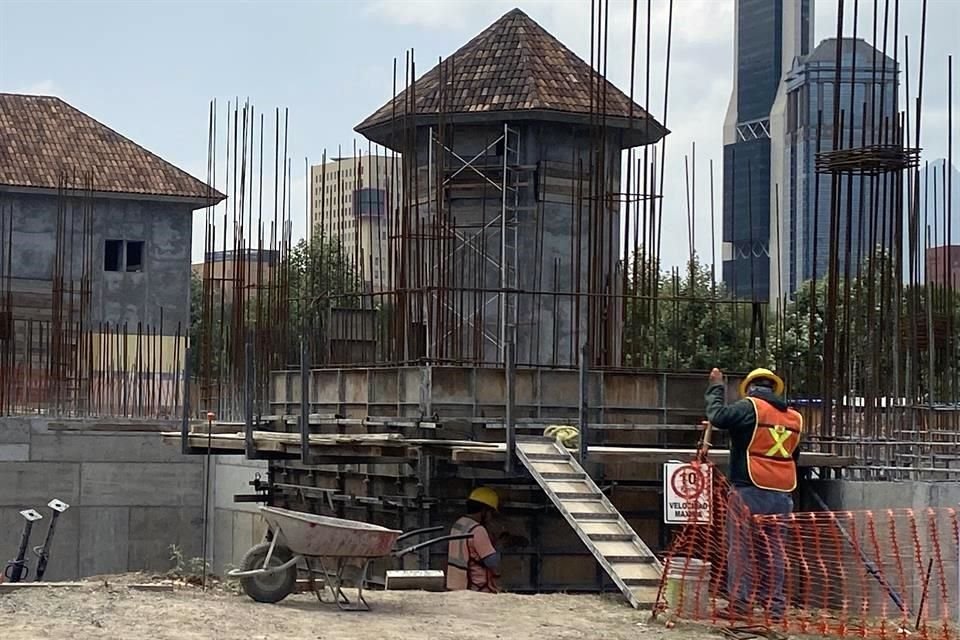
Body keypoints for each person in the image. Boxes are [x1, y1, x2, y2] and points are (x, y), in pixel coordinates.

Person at [705, 367, 803, 623]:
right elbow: (792, 455)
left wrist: (716, 387)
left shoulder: (750, 407)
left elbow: (718, 416)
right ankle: (775, 608)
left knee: (741, 549)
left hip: (749, 489)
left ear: (750, 388)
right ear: (775, 389)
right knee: (774, 552)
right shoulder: (793, 418)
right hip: (782, 494)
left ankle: (741, 604)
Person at [446, 486, 501, 593]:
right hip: (476, 589)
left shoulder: (458, 524)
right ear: (484, 510)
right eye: (491, 513)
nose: (491, 517)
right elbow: (492, 562)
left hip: (456, 585)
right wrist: (500, 544)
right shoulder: (477, 530)